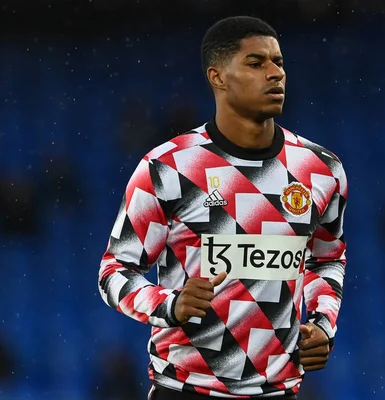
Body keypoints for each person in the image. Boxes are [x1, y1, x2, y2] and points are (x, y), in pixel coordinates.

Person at [98, 16, 348, 399]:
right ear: (218, 77)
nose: (275, 74)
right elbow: (114, 271)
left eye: (278, 62)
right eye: (256, 62)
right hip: (184, 390)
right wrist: (171, 305)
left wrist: (321, 323)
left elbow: (326, 259)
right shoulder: (170, 168)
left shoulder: (320, 169)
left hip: (279, 392)